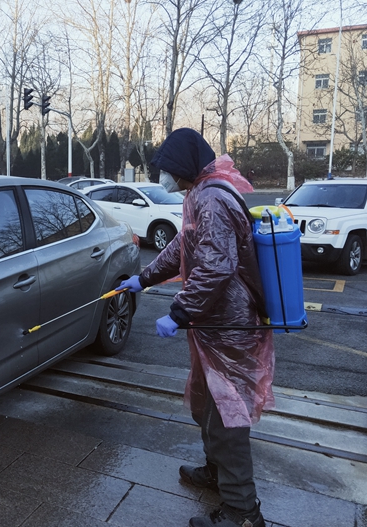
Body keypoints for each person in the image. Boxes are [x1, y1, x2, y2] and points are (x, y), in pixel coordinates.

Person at [117, 128, 274, 527]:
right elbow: (181, 248)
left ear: (184, 167)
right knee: (206, 404)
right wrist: (144, 278)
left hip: (228, 325)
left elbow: (217, 265)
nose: (163, 177)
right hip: (213, 322)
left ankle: (243, 512)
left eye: (167, 169)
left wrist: (179, 312)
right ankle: (217, 472)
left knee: (226, 416)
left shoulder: (213, 198)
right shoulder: (198, 194)